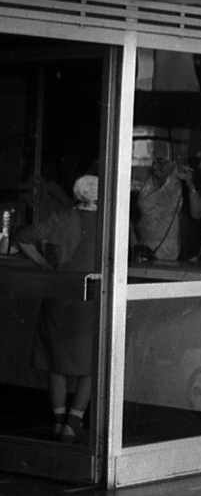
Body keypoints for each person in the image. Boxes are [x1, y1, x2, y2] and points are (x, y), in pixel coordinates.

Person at [14, 175, 100, 443]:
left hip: (59, 294)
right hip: (91, 297)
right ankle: (74, 421)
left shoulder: (60, 218)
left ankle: (58, 420)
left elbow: (22, 238)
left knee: (55, 362)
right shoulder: (108, 223)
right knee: (91, 363)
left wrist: (45, 265)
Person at [134, 155, 200, 261]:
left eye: (161, 162)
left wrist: (191, 186)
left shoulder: (182, 183)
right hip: (146, 253)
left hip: (175, 255)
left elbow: (197, 213)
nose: (156, 166)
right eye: (154, 162)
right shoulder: (143, 182)